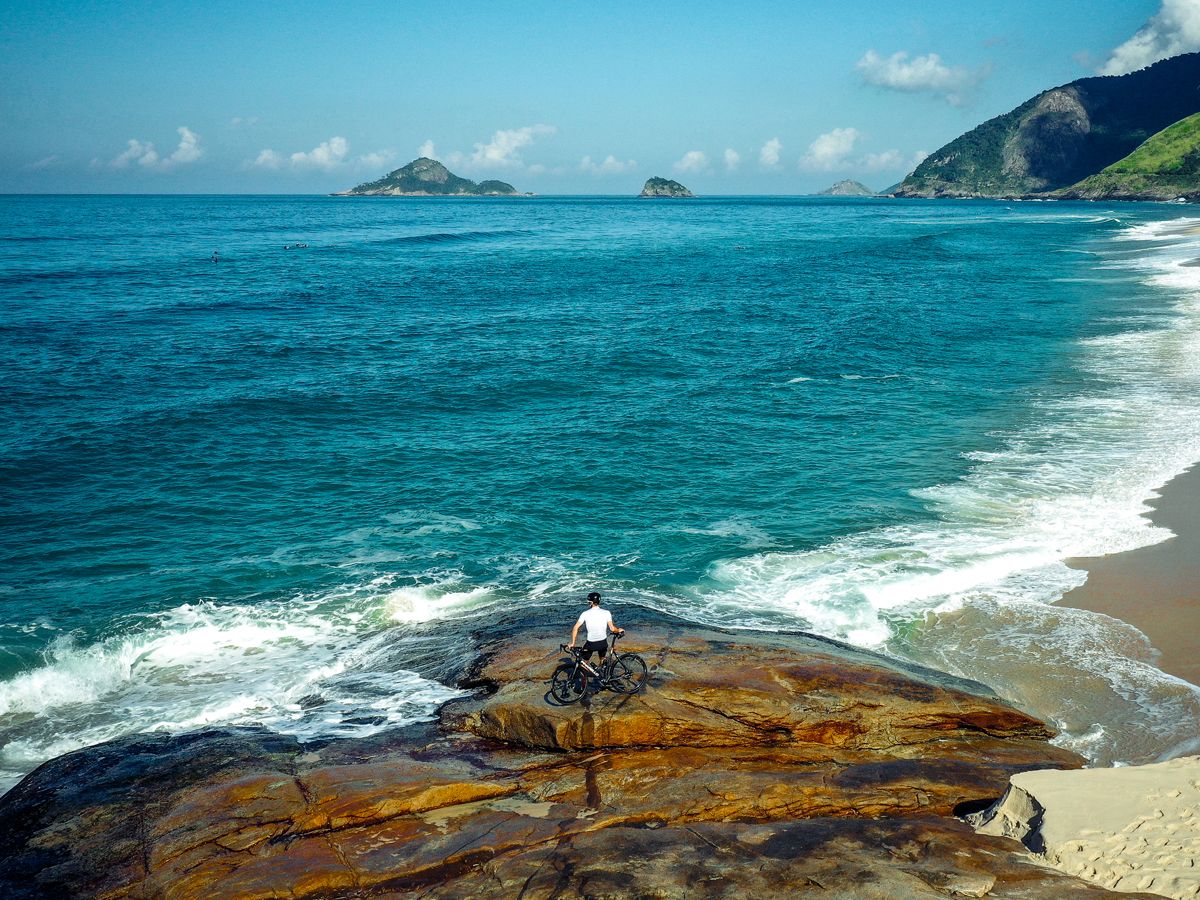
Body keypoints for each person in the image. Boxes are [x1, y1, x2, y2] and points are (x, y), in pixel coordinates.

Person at [569, 592, 624, 665]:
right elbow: (612, 629)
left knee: (584, 662)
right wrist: (619, 629)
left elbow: (575, 628)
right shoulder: (606, 612)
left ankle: (585, 674)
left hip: (591, 644)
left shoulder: (585, 613)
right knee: (602, 659)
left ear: (591, 602)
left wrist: (572, 643)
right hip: (603, 643)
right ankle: (602, 673)